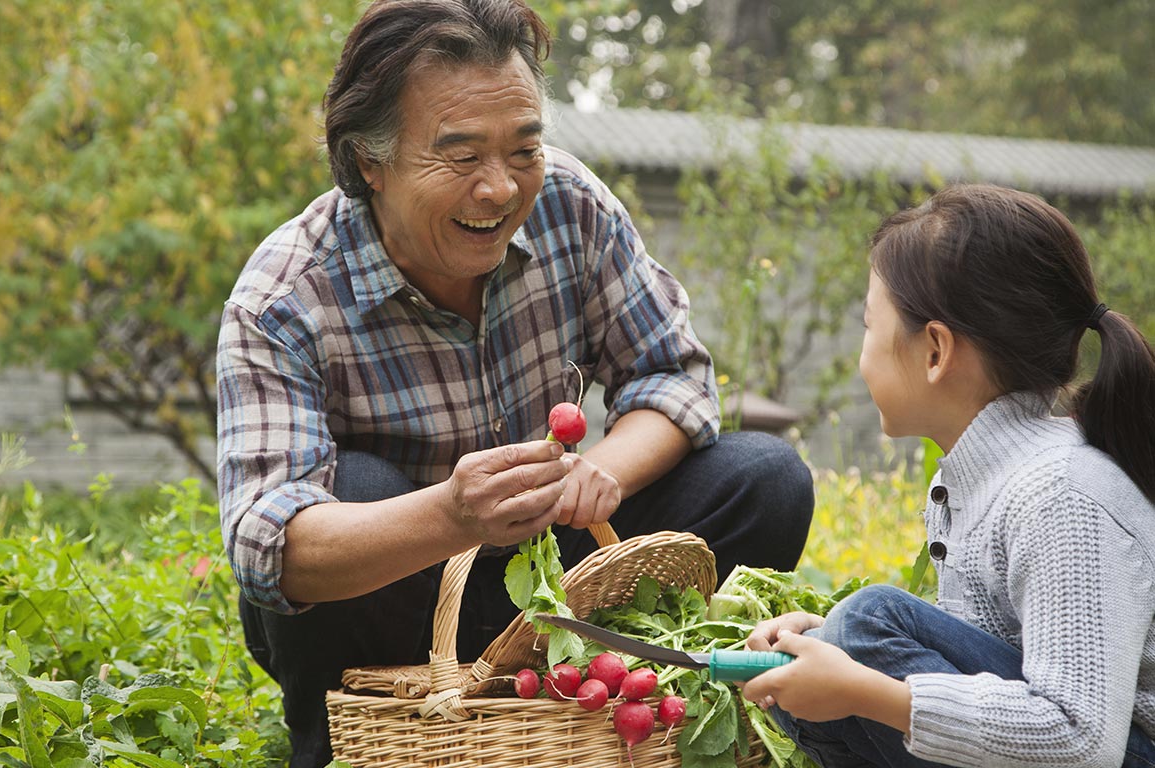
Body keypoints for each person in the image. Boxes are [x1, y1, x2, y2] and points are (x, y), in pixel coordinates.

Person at [215, 0, 813, 764]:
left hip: (558, 578)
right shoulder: (284, 299)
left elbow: (672, 373)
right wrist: (452, 515)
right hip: (401, 592)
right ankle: (347, 743)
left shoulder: (568, 204)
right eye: (461, 157)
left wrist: (601, 472)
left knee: (763, 477)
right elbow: (270, 546)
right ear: (371, 160)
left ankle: (616, 714)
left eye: (523, 149)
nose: (500, 189)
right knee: (355, 485)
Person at [741, 184, 1155, 767]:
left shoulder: (1064, 494)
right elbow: (987, 656)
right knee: (821, 657)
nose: (864, 351)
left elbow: (1083, 740)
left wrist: (866, 685)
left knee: (868, 622)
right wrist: (826, 640)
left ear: (935, 350)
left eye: (868, 325)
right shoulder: (983, 480)